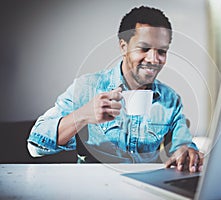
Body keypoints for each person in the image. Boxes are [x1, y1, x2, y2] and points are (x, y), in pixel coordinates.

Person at [27, 6, 203, 172]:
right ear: (123, 46)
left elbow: (183, 144)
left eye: (162, 51)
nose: (153, 59)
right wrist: (83, 115)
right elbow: (35, 146)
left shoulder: (170, 99)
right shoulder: (87, 88)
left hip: (144, 190)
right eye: (144, 48)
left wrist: (187, 153)